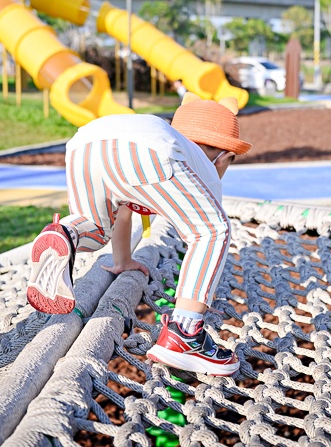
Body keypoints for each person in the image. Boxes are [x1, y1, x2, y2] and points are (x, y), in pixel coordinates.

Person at [26, 93, 251, 376]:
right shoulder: (202, 166)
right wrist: (200, 297)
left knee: (95, 227)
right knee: (213, 230)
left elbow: (123, 211)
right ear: (225, 157)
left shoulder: (170, 140)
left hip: (84, 144)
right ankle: (186, 333)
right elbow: (204, 237)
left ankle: (65, 233)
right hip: (147, 150)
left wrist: (122, 261)